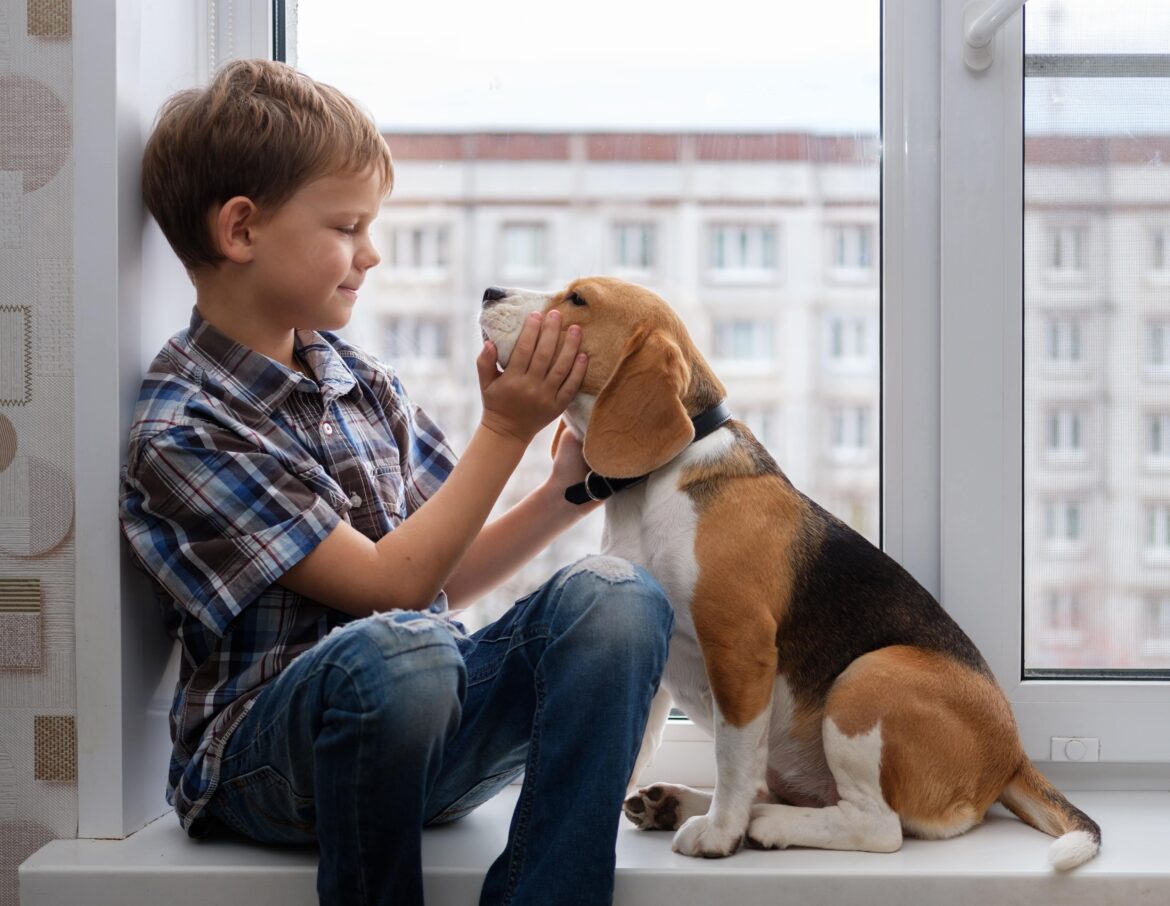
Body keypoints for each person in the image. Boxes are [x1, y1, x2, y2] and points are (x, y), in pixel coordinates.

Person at [119, 58, 673, 906]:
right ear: (240, 230)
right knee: (401, 648)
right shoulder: (184, 426)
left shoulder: (358, 379)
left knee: (619, 596)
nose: (370, 255)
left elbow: (444, 573)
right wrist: (503, 429)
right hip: (271, 764)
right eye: (347, 226)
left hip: (427, 729)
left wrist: (571, 487)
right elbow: (392, 588)